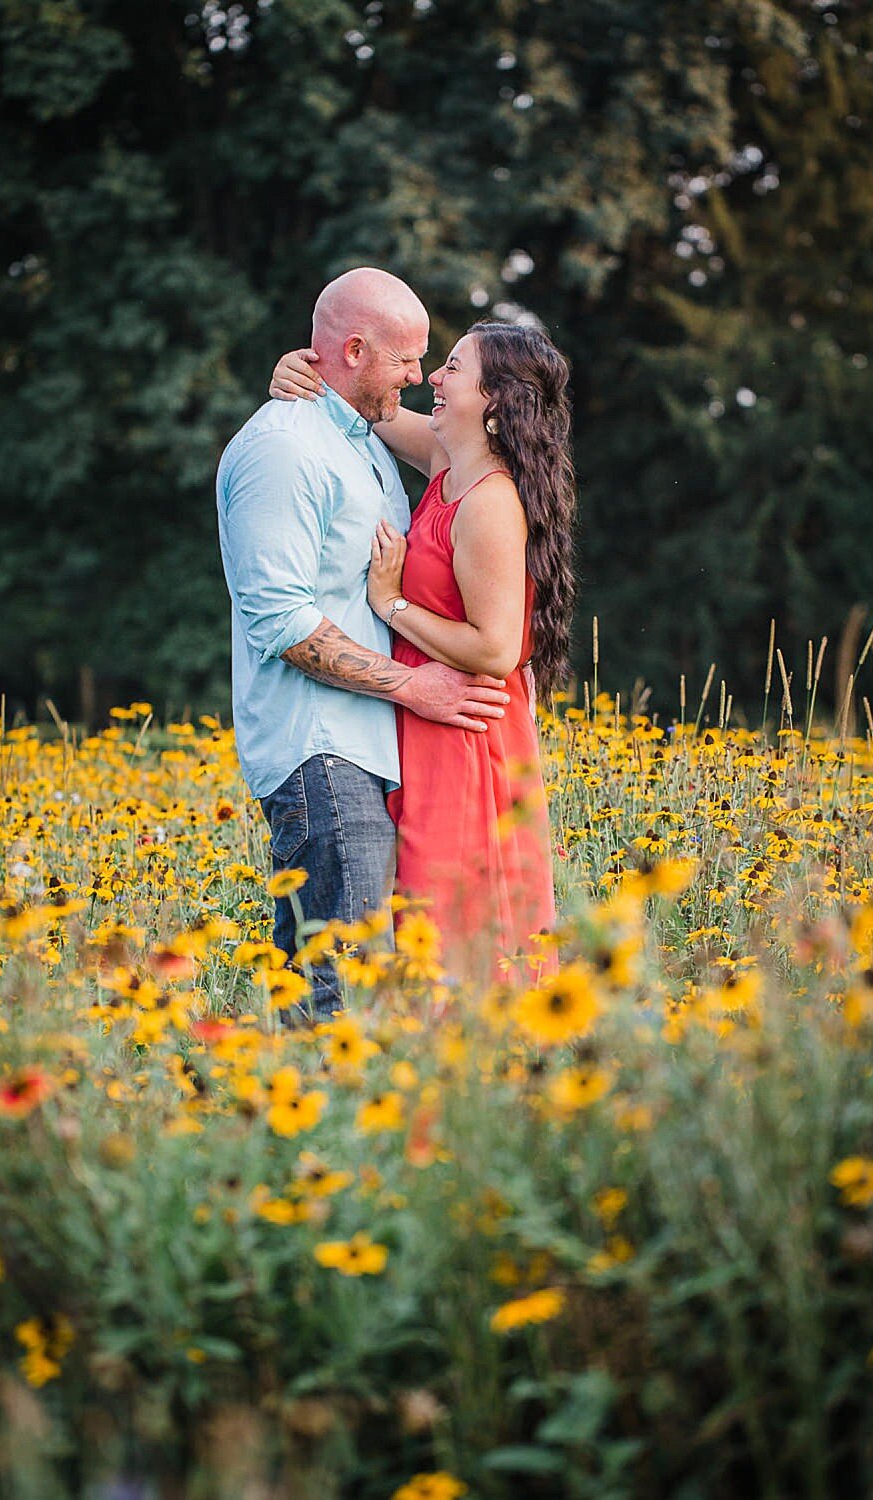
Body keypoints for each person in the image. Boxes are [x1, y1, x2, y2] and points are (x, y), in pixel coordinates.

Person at [216, 268, 511, 1020]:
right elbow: (280, 621)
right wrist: (415, 686)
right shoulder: (284, 449)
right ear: (352, 349)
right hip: (322, 752)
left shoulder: (361, 437)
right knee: (338, 996)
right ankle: (320, 1133)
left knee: (354, 986)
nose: (420, 375)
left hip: (368, 747)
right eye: (407, 359)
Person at [270, 317, 576, 982]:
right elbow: (370, 410)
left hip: (466, 730)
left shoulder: (491, 501)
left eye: (454, 368)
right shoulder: (449, 463)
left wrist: (390, 606)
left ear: (493, 400)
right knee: (417, 921)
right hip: (426, 714)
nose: (433, 377)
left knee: (454, 922)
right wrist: (306, 375)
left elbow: (495, 650)